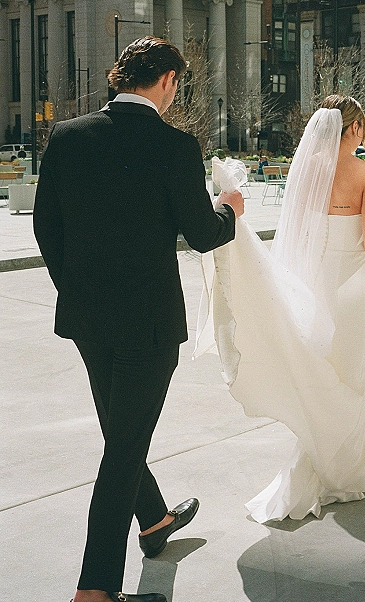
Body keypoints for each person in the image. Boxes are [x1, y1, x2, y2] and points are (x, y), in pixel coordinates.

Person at [33, 37, 243, 602]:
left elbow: (45, 228)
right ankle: (96, 589)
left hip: (86, 319)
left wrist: (76, 291)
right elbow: (203, 234)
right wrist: (231, 209)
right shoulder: (174, 145)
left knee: (121, 430)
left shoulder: (68, 136)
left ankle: (153, 523)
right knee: (123, 449)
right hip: (148, 323)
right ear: (168, 80)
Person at [199, 95, 365, 523]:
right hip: (350, 289)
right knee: (350, 375)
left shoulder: (307, 175)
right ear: (356, 128)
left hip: (313, 286)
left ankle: (319, 467)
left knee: (318, 374)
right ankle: (346, 476)